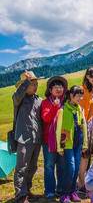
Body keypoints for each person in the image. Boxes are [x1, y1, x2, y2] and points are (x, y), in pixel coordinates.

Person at [12, 71, 43, 203]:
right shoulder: (19, 99)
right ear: (24, 86)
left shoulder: (39, 100)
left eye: (36, 84)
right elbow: (16, 95)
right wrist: (26, 82)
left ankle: (27, 190)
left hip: (37, 139)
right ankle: (20, 195)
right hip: (23, 139)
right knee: (22, 168)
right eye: (32, 84)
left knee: (32, 167)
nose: (34, 86)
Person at [56, 85, 88, 203]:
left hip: (78, 144)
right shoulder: (62, 110)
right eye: (78, 95)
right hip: (67, 145)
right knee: (71, 168)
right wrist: (60, 147)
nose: (80, 98)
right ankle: (64, 194)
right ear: (71, 95)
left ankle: (72, 192)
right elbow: (59, 129)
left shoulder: (80, 109)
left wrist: (85, 144)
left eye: (81, 95)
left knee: (76, 169)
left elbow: (83, 126)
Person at [41, 76, 67, 199]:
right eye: (55, 87)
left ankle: (61, 189)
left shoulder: (66, 102)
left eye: (61, 86)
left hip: (62, 140)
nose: (58, 89)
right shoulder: (45, 103)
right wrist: (55, 107)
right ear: (50, 89)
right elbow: (46, 118)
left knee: (62, 165)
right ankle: (50, 190)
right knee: (49, 166)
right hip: (48, 141)